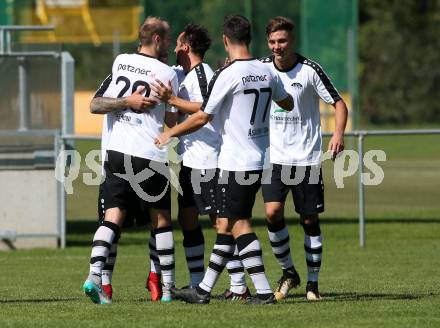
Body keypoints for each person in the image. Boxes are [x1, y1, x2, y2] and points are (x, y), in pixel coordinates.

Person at [155, 14, 293, 305]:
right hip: (262, 159)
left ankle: (263, 292)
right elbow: (287, 102)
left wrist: (171, 133)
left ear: (226, 40)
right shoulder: (267, 71)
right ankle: (203, 290)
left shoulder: (227, 74)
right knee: (228, 225)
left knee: (239, 224)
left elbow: (204, 115)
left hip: (235, 162)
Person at [82, 16, 179, 304]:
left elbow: (96, 104)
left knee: (112, 217)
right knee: (160, 219)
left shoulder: (121, 61)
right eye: (168, 38)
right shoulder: (167, 72)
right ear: (158, 40)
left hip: (116, 153)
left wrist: (126, 102)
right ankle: (169, 289)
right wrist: (166, 101)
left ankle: (93, 275)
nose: (171, 44)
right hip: (148, 153)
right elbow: (172, 122)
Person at [151, 24, 250, 300]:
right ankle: (196, 282)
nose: (173, 48)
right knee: (187, 219)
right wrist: (168, 105)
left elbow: (206, 106)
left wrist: (172, 100)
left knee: (221, 222)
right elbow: (177, 114)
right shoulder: (183, 75)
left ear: (186, 45)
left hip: (210, 159)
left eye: (177, 43)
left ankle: (239, 285)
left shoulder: (203, 73)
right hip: (190, 160)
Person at [260, 16, 348, 301]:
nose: (277, 47)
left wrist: (337, 135)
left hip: (306, 159)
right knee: (272, 213)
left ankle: (312, 283)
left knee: (309, 220)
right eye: (273, 42)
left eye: (282, 41)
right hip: (273, 158)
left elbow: (339, 103)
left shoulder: (310, 70)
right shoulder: (261, 69)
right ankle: (289, 272)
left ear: (292, 41)